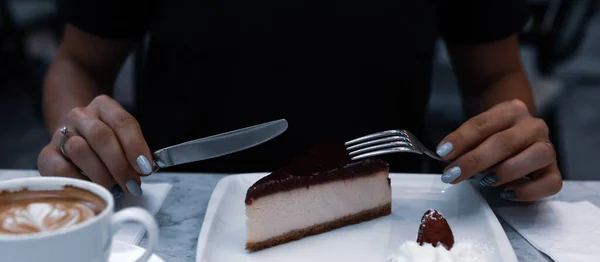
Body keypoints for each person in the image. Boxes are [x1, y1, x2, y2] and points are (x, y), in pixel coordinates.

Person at [38, 0, 562, 201]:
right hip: (174, 218)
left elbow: (495, 74)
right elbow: (79, 64)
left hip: (387, 222)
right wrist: (78, 132)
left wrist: (506, 146)